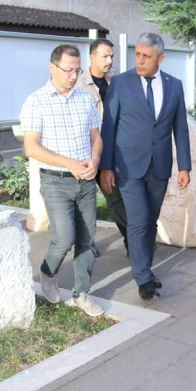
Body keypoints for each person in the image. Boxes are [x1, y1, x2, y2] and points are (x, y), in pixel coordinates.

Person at [100, 33, 192, 300]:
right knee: (138, 220)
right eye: (137, 54)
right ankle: (142, 278)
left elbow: (180, 128)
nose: (139, 60)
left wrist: (184, 166)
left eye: (146, 56)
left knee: (151, 221)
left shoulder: (174, 86)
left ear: (160, 58)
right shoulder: (120, 83)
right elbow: (109, 126)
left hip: (159, 166)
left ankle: (146, 270)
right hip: (127, 167)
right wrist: (106, 166)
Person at [19, 44, 104, 317]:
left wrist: (95, 160)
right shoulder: (36, 101)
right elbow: (31, 147)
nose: (73, 76)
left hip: (86, 181)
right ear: (52, 67)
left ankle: (82, 293)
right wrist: (70, 164)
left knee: (87, 239)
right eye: (68, 70)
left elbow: (96, 137)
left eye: (77, 71)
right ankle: (48, 271)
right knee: (65, 237)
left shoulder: (84, 99)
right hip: (55, 182)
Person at [75, 38, 130, 255]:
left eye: (111, 56)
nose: (109, 61)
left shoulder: (115, 82)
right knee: (84, 203)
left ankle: (133, 242)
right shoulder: (79, 85)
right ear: (92, 57)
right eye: (105, 56)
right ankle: (85, 246)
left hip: (114, 150)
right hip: (87, 152)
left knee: (118, 198)